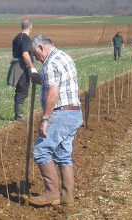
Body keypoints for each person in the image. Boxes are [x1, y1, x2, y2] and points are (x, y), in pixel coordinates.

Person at [26, 34, 83, 207]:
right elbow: (54, 82)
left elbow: (53, 93)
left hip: (61, 113)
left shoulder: (50, 64)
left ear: (41, 47)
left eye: (36, 55)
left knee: (41, 151)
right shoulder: (64, 57)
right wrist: (37, 77)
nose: (37, 58)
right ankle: (67, 197)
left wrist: (45, 118)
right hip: (74, 113)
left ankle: (51, 193)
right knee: (63, 155)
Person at [7, 19, 37, 122]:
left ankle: (19, 115)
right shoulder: (26, 39)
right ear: (30, 27)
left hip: (17, 66)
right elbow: (25, 54)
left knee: (20, 91)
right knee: (22, 91)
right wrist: (32, 67)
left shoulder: (16, 38)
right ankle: (19, 116)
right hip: (22, 68)